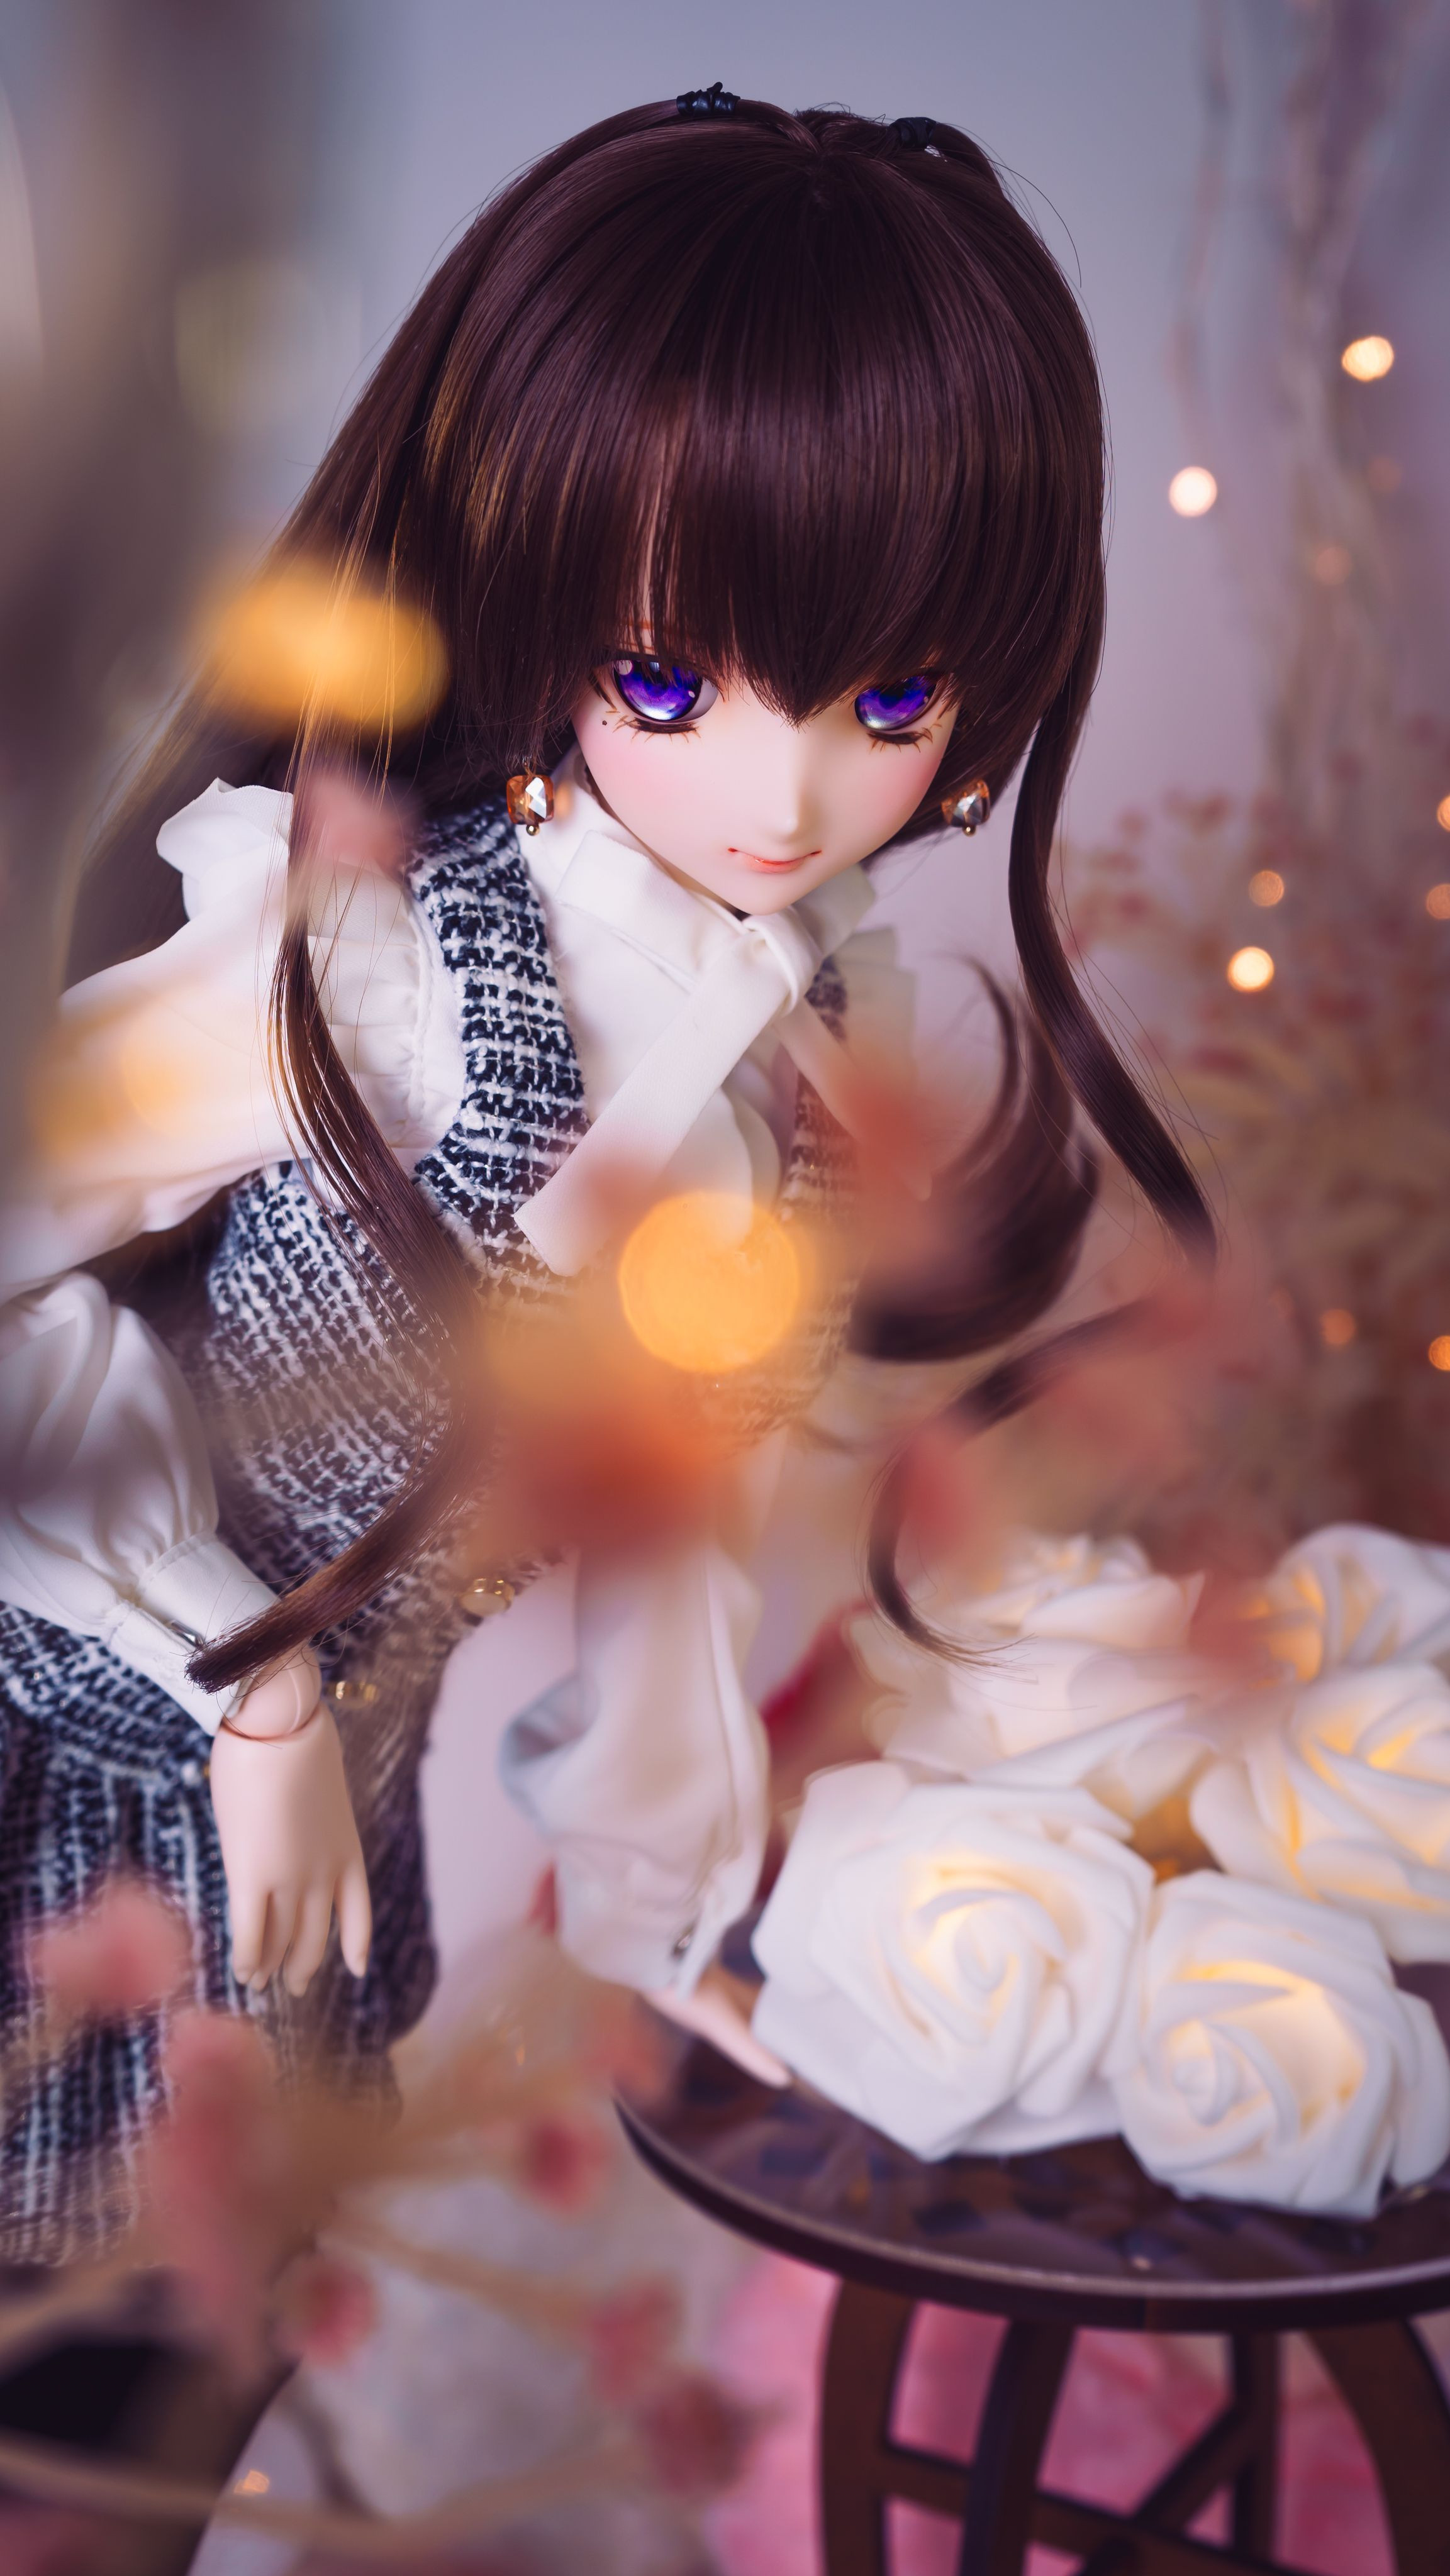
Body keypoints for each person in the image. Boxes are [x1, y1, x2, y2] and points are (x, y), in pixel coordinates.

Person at [0, 92, 1211, 2259]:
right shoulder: (374, 970)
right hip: (64, 1786)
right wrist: (236, 1672)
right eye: (669, 677)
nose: (784, 791)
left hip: (321, 1863)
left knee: (228, 2339)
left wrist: (668, 1917)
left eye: (890, 696)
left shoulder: (808, 1056)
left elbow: (676, 1573)